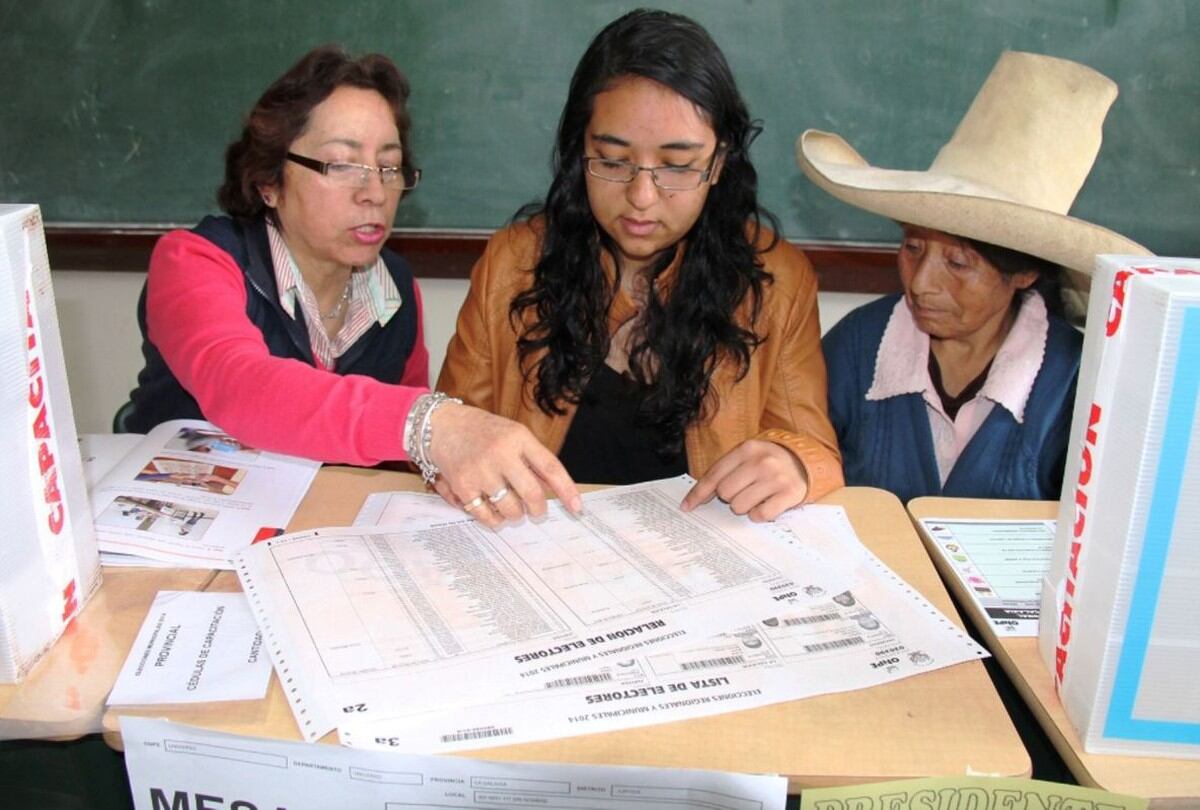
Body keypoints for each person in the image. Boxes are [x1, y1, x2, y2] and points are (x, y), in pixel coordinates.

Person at [123, 45, 580, 525]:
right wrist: (429, 425)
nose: (375, 192)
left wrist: (436, 463)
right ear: (268, 182)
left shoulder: (395, 287)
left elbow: (394, 455)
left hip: (312, 526)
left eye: (389, 166)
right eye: (341, 165)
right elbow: (238, 386)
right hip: (176, 522)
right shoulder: (197, 260)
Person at [437, 10, 842, 521]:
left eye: (676, 166)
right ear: (578, 151)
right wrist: (453, 458)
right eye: (612, 161)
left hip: (696, 569)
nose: (641, 198)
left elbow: (813, 447)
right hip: (537, 560)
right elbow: (446, 433)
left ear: (718, 164)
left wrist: (793, 464)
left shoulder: (777, 279)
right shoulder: (514, 262)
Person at [798, 51, 1152, 503]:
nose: (921, 282)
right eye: (912, 247)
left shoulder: (1077, 381)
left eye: (959, 263)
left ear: (1023, 273)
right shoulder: (856, 346)